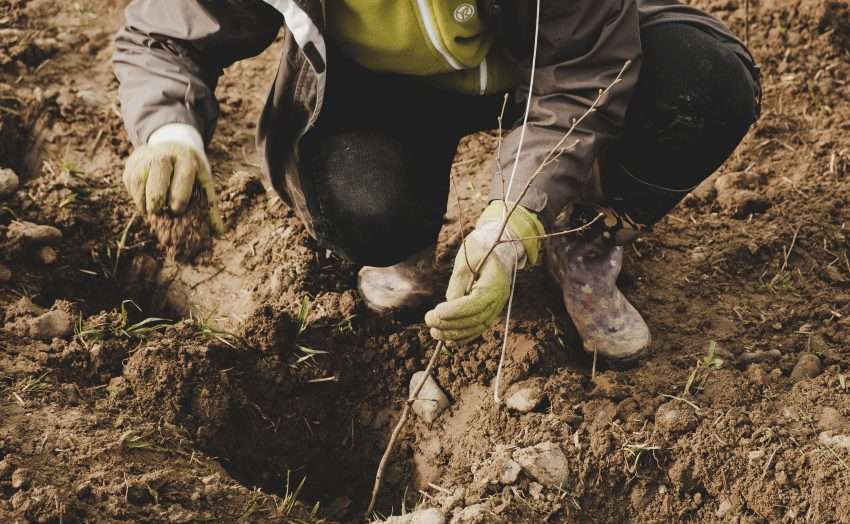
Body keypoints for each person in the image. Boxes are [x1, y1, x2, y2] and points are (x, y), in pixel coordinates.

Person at [114, 0, 760, 365]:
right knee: (362, 208)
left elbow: (584, 70)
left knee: (702, 80)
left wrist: (519, 212)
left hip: (547, 61)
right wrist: (169, 132)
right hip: (389, 92)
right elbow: (162, 35)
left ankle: (580, 226)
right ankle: (406, 236)